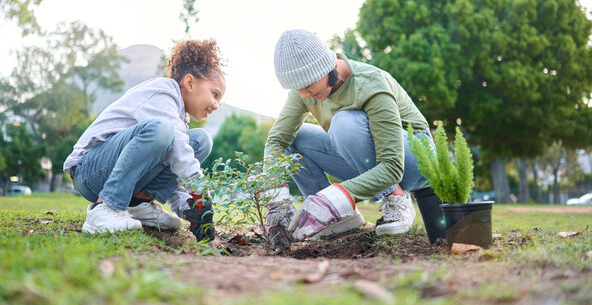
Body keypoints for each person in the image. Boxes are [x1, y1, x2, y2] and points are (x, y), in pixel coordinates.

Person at [264, 29, 434, 249]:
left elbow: (392, 167)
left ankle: (397, 199)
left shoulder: (370, 83)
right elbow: (276, 140)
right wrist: (275, 192)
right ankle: (340, 219)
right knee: (294, 138)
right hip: (363, 162)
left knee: (344, 124)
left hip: (412, 159)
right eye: (298, 89)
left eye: (307, 86)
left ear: (327, 68)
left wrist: (334, 198)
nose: (304, 94)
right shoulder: (304, 92)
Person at [63, 39, 225, 241]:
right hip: (89, 170)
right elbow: (178, 151)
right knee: (164, 132)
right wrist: (200, 193)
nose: (217, 104)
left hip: (115, 172)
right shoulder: (162, 92)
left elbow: (174, 168)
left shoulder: (178, 117)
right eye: (215, 94)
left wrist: (190, 208)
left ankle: (139, 205)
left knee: (200, 140)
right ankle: (104, 208)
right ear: (190, 82)